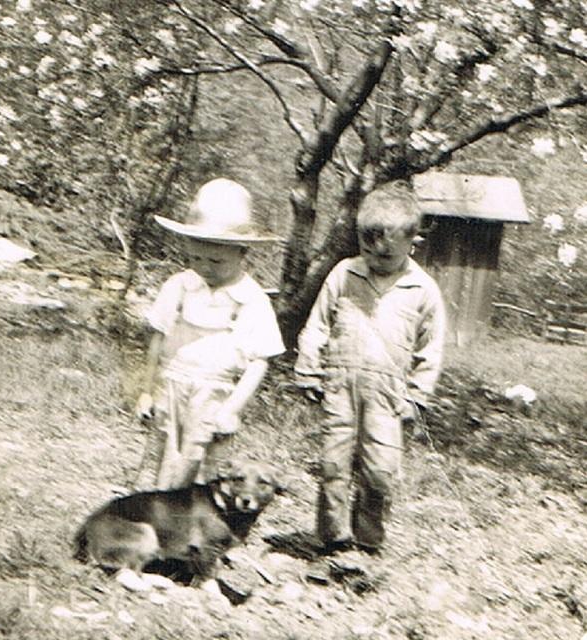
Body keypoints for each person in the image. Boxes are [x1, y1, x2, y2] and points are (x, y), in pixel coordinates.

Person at [294, 186, 446, 554]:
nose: (377, 259)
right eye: (368, 250)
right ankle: (332, 540)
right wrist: (308, 368)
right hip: (340, 386)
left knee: (379, 471)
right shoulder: (343, 275)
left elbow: (431, 348)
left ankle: (368, 541)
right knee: (334, 464)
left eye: (388, 254)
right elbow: (317, 325)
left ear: (412, 241)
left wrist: (418, 395)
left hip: (387, 395)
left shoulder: (422, 289)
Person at [136, 178, 285, 489]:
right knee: (160, 460)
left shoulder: (250, 299)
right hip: (173, 386)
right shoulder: (178, 286)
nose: (205, 267)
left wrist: (231, 409)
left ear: (243, 252)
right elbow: (157, 338)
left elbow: (259, 362)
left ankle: (190, 529)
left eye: (216, 260)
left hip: (214, 396)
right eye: (196, 258)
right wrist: (148, 390)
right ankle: (153, 520)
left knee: (201, 467)